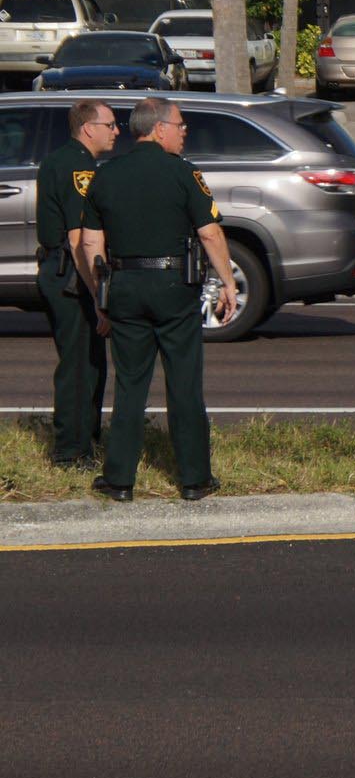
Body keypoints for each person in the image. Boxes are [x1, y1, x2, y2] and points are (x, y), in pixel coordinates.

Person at [78, 98, 239, 502]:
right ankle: (194, 479)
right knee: (183, 381)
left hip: (125, 286)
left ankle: (118, 480)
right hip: (173, 286)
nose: (185, 132)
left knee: (130, 384)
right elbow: (210, 233)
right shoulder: (184, 174)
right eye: (180, 125)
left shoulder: (105, 175)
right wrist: (228, 282)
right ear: (158, 128)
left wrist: (101, 295)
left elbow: (92, 242)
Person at [34, 99, 118, 466]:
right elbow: (77, 238)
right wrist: (99, 296)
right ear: (89, 128)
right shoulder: (79, 167)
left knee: (88, 362)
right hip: (72, 273)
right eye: (111, 124)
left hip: (59, 269)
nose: (116, 131)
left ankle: (84, 441)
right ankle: (71, 452)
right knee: (80, 366)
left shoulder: (59, 159)